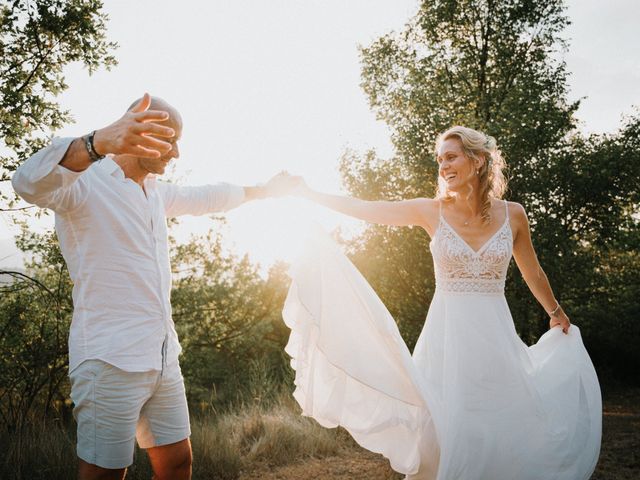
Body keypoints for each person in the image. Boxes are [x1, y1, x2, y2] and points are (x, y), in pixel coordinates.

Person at [283, 125, 602, 479]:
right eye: (439, 160)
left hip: (494, 340)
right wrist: (309, 194)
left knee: (500, 426)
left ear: (478, 160)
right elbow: (369, 208)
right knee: (444, 432)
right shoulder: (430, 211)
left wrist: (556, 313)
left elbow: (533, 273)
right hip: (446, 341)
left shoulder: (513, 215)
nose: (443, 166)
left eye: (451, 157)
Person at [11, 93, 298, 480]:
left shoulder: (155, 193)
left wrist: (264, 190)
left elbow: (208, 197)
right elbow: (27, 182)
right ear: (136, 132)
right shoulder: (84, 185)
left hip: (162, 358)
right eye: (170, 140)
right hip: (108, 359)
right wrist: (97, 144)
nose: (176, 153)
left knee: (178, 463)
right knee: (105, 473)